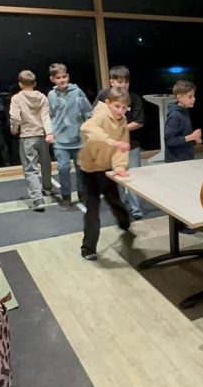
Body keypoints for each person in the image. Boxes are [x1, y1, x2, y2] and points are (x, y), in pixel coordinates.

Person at [78, 88, 132, 261]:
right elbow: (87, 128)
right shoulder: (100, 115)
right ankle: (88, 249)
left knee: (114, 200)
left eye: (124, 108)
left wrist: (119, 166)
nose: (120, 111)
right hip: (89, 169)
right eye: (117, 106)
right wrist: (111, 141)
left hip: (107, 169)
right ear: (108, 103)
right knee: (92, 208)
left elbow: (122, 145)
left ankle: (125, 225)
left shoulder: (123, 121)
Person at [94, 66, 145, 220]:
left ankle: (136, 209)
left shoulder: (135, 98)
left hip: (131, 145)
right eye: (119, 82)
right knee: (117, 179)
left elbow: (139, 121)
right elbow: (94, 114)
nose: (123, 85)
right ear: (112, 82)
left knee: (133, 177)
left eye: (126, 82)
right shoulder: (104, 95)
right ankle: (121, 208)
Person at [48, 63, 93, 209]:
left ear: (68, 76)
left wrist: (91, 127)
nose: (62, 80)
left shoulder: (77, 92)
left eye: (64, 77)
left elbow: (87, 111)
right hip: (60, 140)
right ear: (52, 79)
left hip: (78, 139)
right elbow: (50, 115)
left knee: (81, 168)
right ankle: (66, 196)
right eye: (58, 78)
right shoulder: (51, 95)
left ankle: (82, 193)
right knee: (63, 168)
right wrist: (50, 132)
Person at [9, 70, 54, 212]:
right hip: (42, 136)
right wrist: (49, 132)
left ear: (20, 84)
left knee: (30, 169)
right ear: (34, 83)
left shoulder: (17, 98)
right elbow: (46, 117)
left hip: (27, 137)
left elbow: (15, 118)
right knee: (46, 163)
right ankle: (47, 188)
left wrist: (14, 129)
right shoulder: (42, 97)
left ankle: (37, 199)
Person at [164, 80, 202, 162]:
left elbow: (182, 135)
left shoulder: (184, 111)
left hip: (185, 158)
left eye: (194, 96)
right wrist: (191, 137)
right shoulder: (174, 116)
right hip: (176, 161)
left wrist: (195, 139)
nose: (194, 99)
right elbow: (169, 141)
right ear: (179, 98)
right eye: (190, 96)